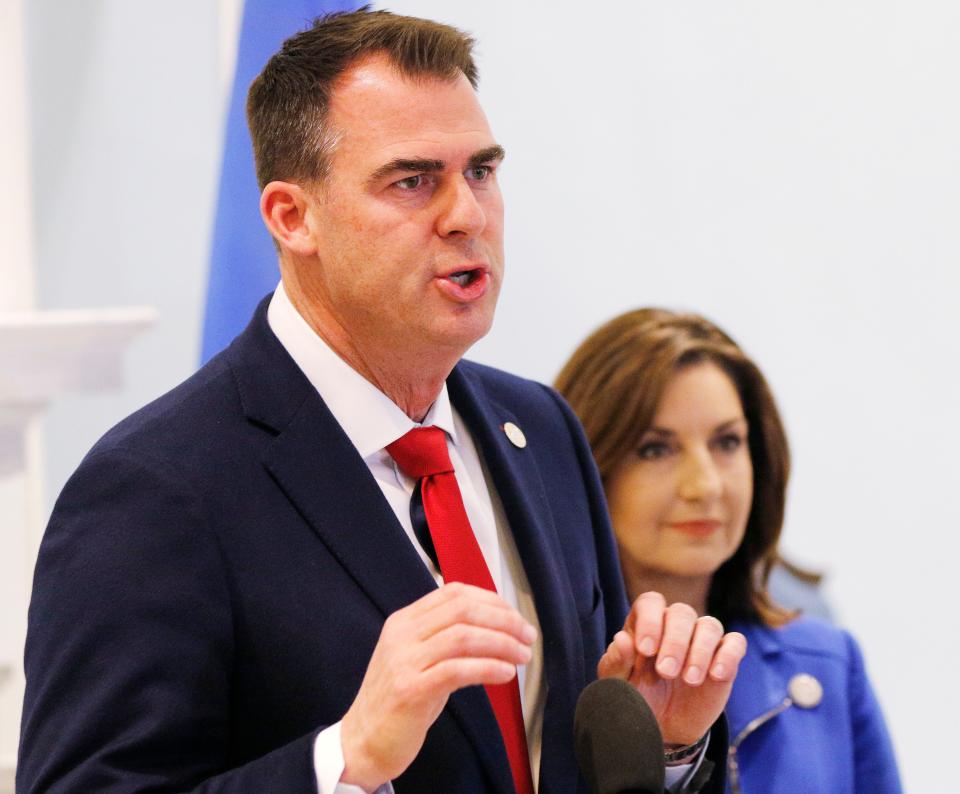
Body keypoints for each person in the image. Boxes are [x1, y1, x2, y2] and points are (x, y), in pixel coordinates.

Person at [18, 10, 748, 794]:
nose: (466, 214)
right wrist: (344, 760)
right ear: (293, 217)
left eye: (482, 171)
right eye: (413, 179)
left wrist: (665, 751)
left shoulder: (541, 431)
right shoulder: (157, 490)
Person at [555, 308, 902, 793]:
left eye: (727, 442)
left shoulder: (829, 662)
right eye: (656, 449)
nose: (705, 485)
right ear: (590, 464)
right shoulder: (539, 678)